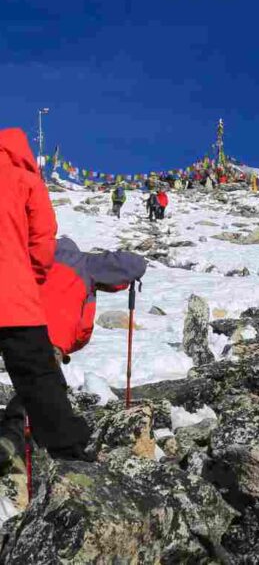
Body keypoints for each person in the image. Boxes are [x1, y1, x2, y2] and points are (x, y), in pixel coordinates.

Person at [0, 237, 147, 466]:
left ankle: (21, 436)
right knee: (40, 389)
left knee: (34, 384)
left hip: (14, 324)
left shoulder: (31, 257)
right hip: (47, 337)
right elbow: (132, 264)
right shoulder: (84, 262)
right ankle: (18, 440)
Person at [0, 127, 90, 463]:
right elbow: (42, 245)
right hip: (16, 301)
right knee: (39, 378)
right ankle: (69, 455)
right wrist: (28, 279)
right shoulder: (27, 181)